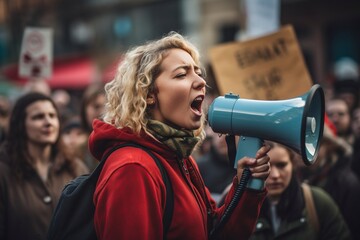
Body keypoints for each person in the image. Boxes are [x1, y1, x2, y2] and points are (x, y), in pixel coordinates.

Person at [89, 32, 271, 240]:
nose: (201, 82)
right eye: (181, 75)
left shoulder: (180, 159)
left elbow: (214, 233)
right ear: (148, 94)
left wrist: (246, 184)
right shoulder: (133, 168)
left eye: (198, 73)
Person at [0, 92, 89, 240]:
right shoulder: (4, 172)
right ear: (20, 124)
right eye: (38, 117)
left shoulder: (74, 167)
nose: (48, 122)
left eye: (52, 116)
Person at [249, 142, 351, 240]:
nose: (275, 175)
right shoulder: (243, 208)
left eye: (281, 165)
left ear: (293, 164)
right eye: (266, 166)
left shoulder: (317, 202)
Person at [299, 118, 360, 240]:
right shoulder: (296, 176)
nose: (306, 150)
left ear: (329, 145)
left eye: (314, 143)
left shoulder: (347, 183)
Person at [79, 82, 106, 171]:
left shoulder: (114, 143)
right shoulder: (76, 146)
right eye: (96, 106)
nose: (102, 112)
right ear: (84, 110)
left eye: (106, 107)